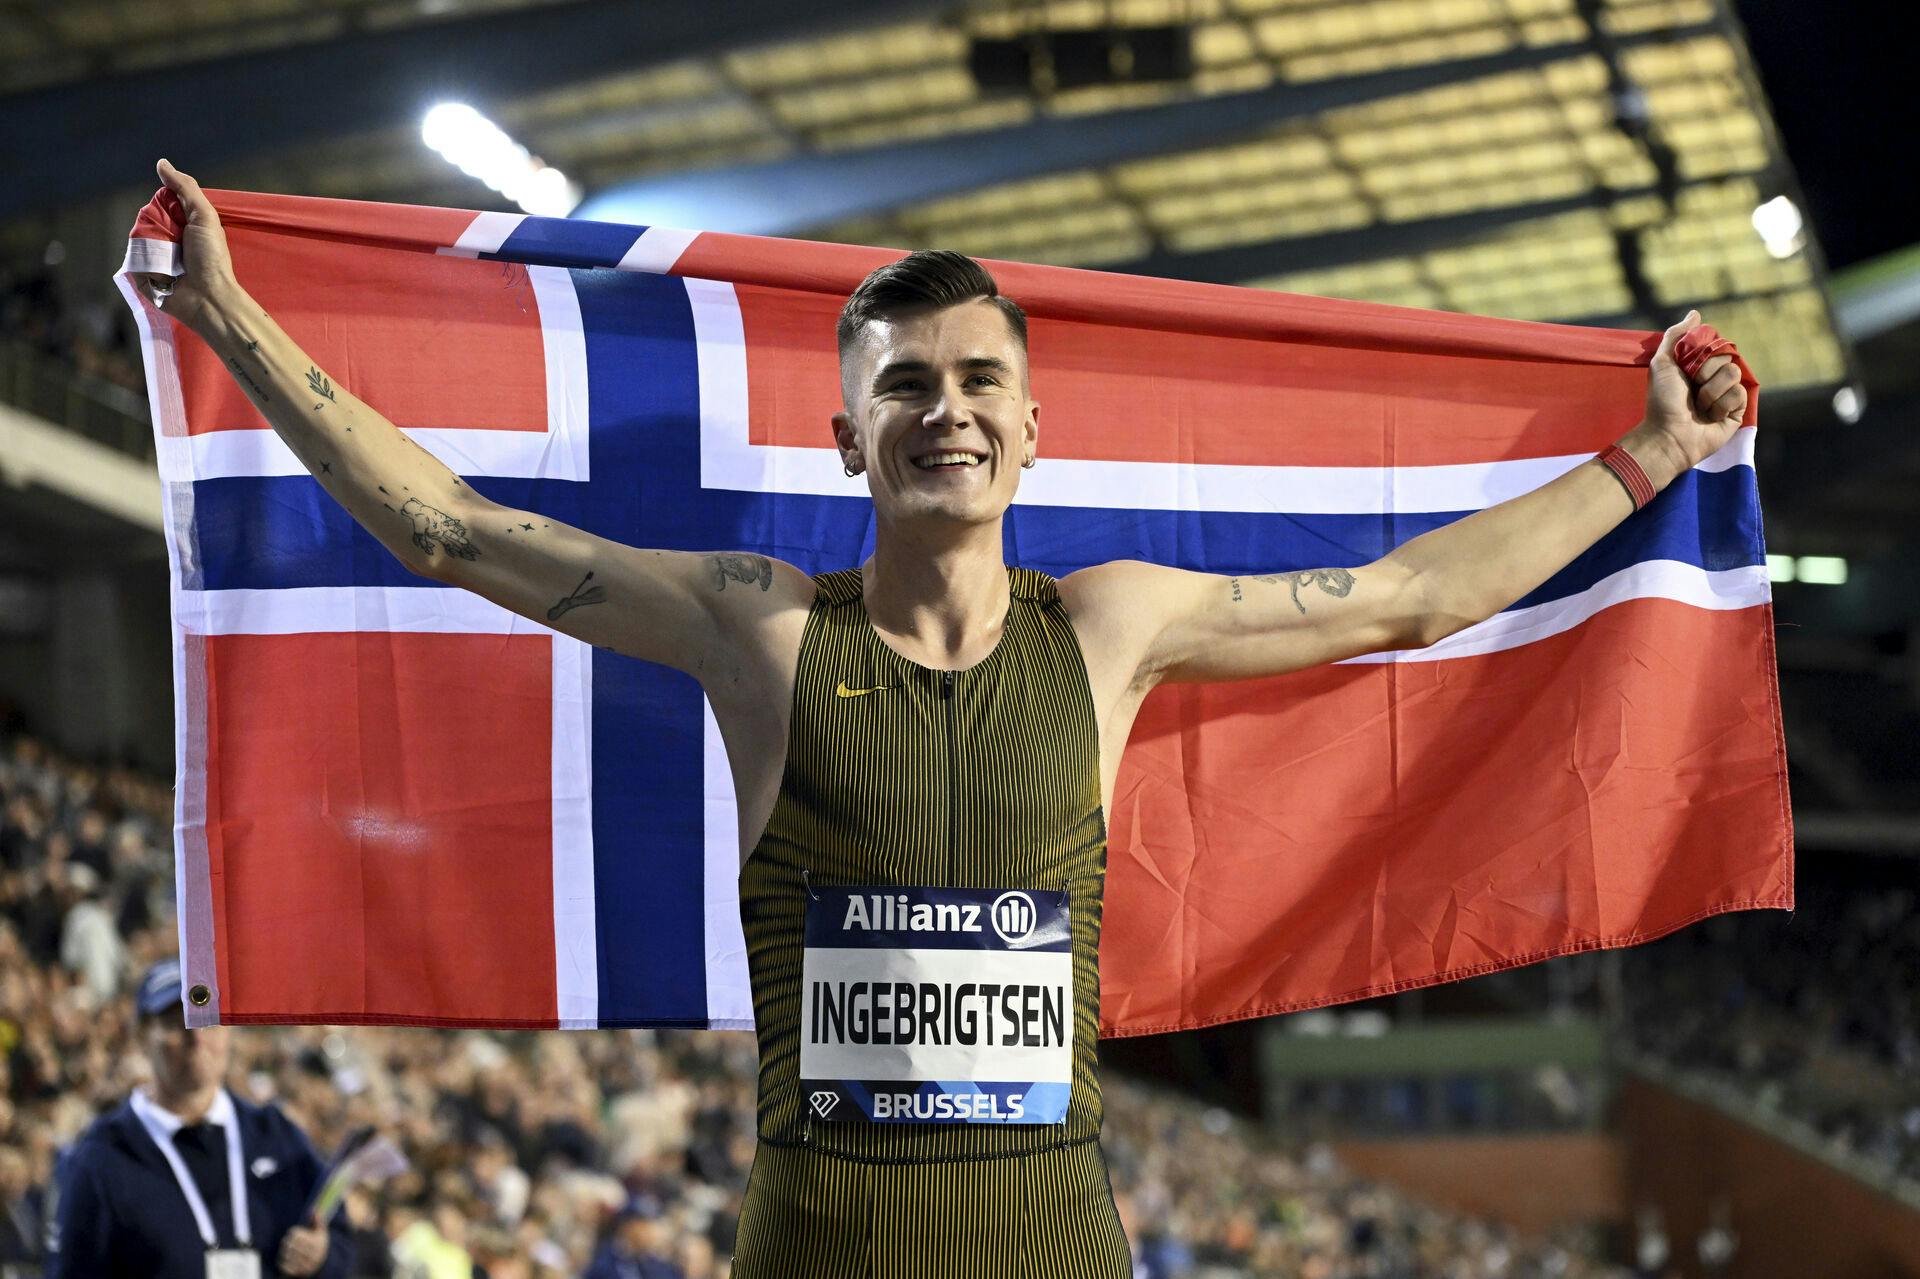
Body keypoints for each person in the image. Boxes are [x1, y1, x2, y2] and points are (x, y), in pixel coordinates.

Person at [136, 158, 1749, 1278]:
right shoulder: (755, 624)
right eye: (907, 383)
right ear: (847, 434)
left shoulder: (1116, 621)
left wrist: (1654, 458)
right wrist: (231, 319)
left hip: (1055, 1243)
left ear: (1033, 431)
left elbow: (1408, 595)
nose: (947, 409)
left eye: (979, 379)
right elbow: (456, 533)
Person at [45, 959, 353, 1278]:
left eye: (209, 1019)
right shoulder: (102, 1156)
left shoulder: (276, 1135)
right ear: (140, 1035)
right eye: (177, 1022)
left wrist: (323, 1257)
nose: (196, 1037)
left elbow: (338, 1236)